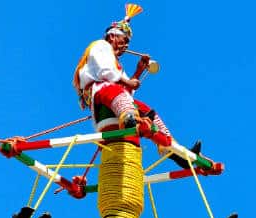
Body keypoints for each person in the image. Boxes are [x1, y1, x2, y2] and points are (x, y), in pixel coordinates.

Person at [72, 3, 200, 167]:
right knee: (114, 91)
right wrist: (129, 81)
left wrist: (138, 71)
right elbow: (107, 73)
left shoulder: (116, 64)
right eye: (124, 40)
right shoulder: (100, 46)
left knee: (144, 107)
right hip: (100, 94)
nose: (125, 46)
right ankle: (129, 119)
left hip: (111, 97)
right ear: (112, 37)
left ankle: (174, 151)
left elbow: (125, 90)